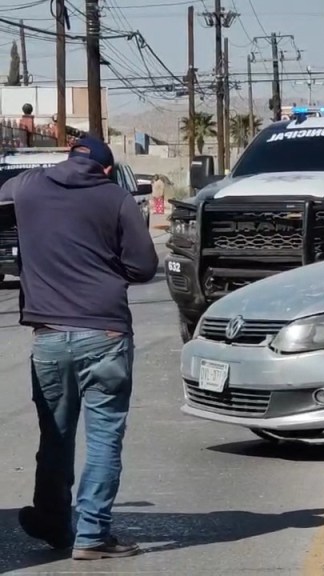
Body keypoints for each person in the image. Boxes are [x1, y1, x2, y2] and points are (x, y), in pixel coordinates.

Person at [0, 136, 158, 560]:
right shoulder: (117, 198)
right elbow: (143, 267)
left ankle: (53, 519)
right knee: (105, 437)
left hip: (49, 336)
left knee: (56, 435)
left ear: (68, 158)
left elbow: (3, 200)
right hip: (105, 334)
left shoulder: (28, 185)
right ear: (106, 169)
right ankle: (92, 534)